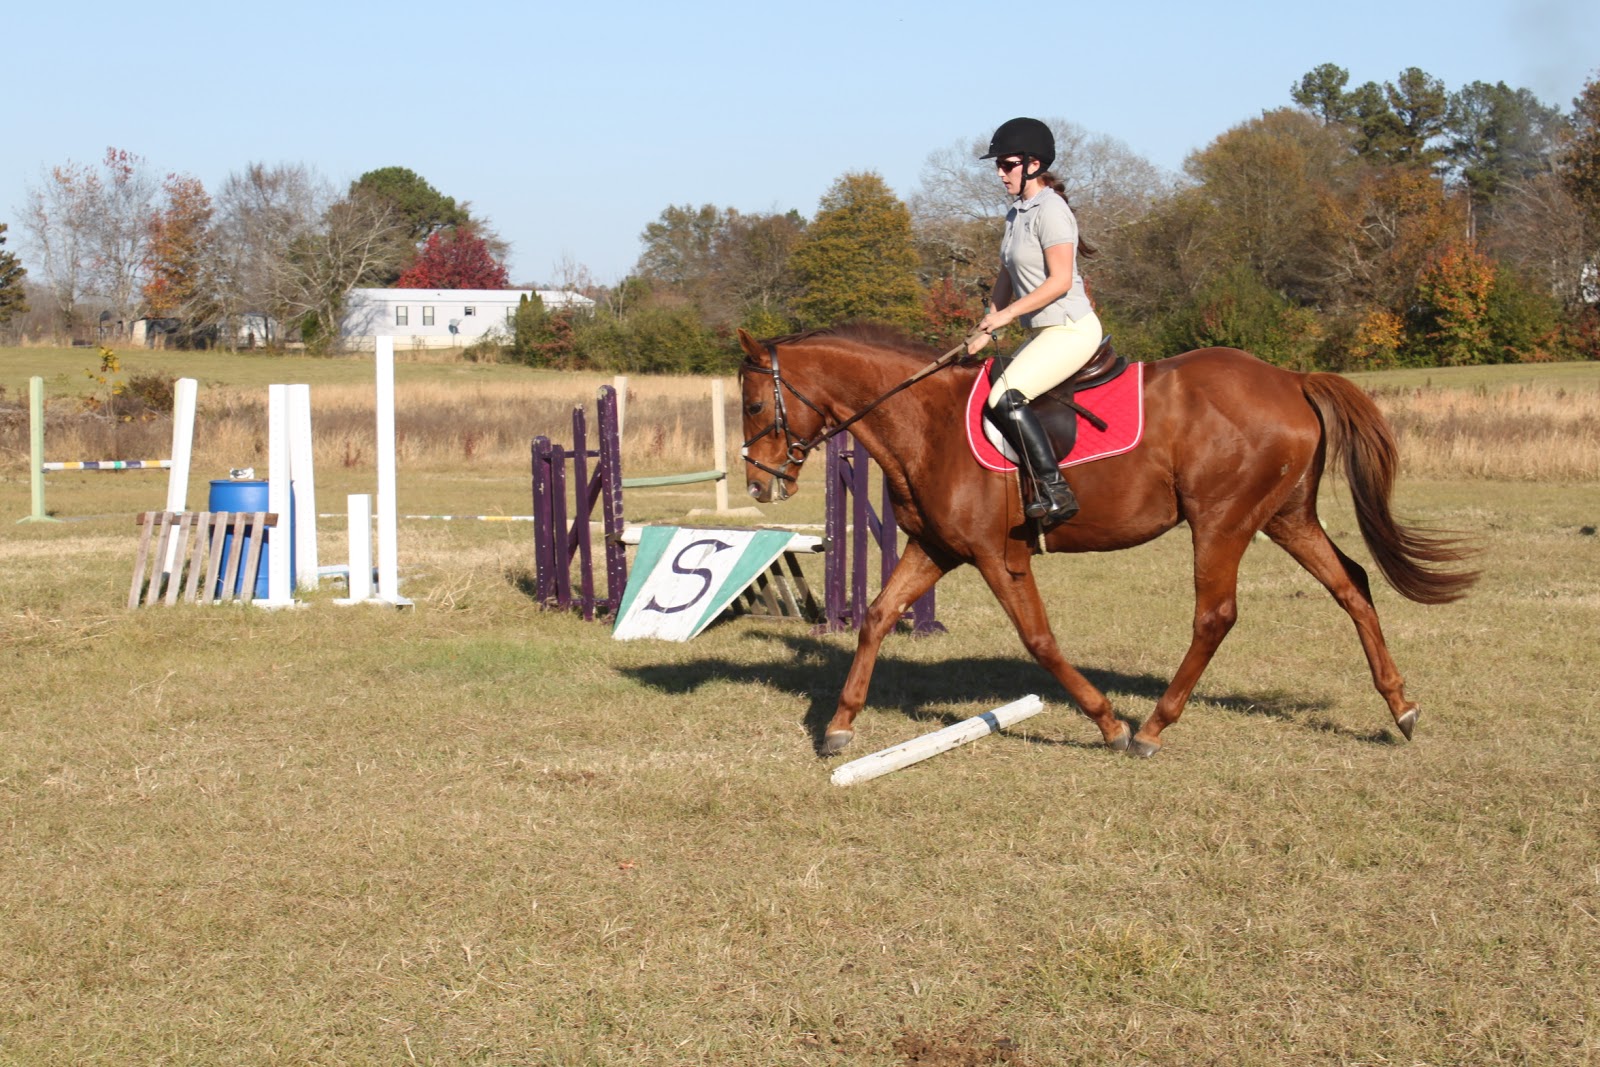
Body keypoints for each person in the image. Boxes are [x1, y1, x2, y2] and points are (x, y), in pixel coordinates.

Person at [968, 117, 1103, 528]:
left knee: (1005, 398)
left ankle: (1055, 490)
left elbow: (1060, 280)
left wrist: (1007, 317)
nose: (1000, 173)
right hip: (1043, 331)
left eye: (1006, 164)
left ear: (1032, 164)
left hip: (1070, 328)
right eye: (999, 165)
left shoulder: (1053, 211)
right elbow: (1006, 276)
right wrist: (985, 325)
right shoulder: (1016, 213)